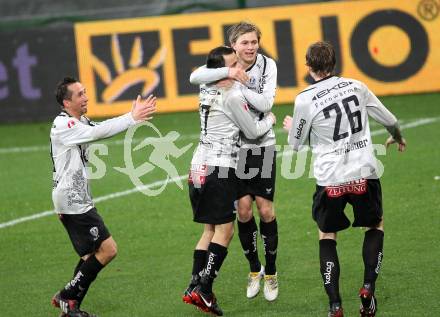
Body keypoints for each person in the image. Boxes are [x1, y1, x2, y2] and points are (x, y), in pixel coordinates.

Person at [283, 41, 406, 317]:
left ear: (308, 67)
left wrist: (293, 127)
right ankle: (367, 288)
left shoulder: (305, 98)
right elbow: (390, 120)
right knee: (375, 225)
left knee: (327, 235)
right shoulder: (356, 86)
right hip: (363, 171)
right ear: (334, 63)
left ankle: (335, 305)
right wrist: (397, 137)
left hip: (330, 179)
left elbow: (295, 144)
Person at [50, 77, 156, 317]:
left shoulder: (80, 121)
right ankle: (67, 296)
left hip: (74, 198)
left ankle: (70, 306)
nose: (86, 97)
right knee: (108, 250)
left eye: (85, 92)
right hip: (73, 200)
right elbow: (98, 133)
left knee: (90, 255)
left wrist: (129, 116)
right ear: (67, 102)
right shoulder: (64, 125)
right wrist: (132, 118)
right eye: (80, 94)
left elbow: (99, 128)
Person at [183, 46, 276, 316]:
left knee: (209, 231)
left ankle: (193, 286)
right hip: (219, 169)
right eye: (233, 63)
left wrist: (227, 72)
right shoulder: (232, 94)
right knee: (226, 231)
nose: (239, 67)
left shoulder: (205, 86)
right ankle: (205, 288)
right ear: (221, 70)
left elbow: (195, 75)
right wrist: (269, 119)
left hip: (197, 167)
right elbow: (253, 130)